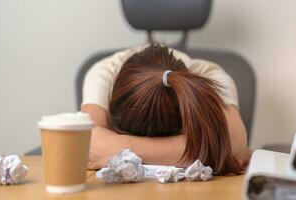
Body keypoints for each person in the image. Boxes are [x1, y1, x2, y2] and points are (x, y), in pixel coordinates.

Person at [82, 44, 249, 175]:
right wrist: (203, 150)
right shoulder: (105, 74)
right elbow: (87, 145)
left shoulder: (210, 77)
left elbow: (234, 147)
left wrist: (121, 146)